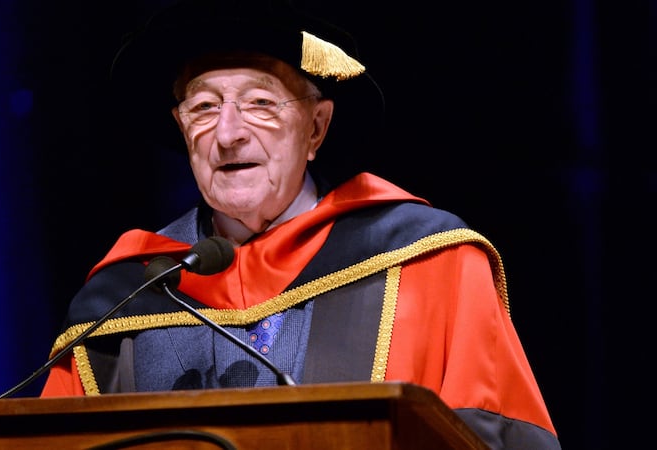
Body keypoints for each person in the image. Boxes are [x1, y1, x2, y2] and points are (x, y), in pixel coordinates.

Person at [40, 0, 561, 447]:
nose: (228, 134)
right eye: (204, 107)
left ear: (316, 128)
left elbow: (494, 433)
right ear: (181, 127)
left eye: (261, 103)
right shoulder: (126, 297)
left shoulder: (429, 264)